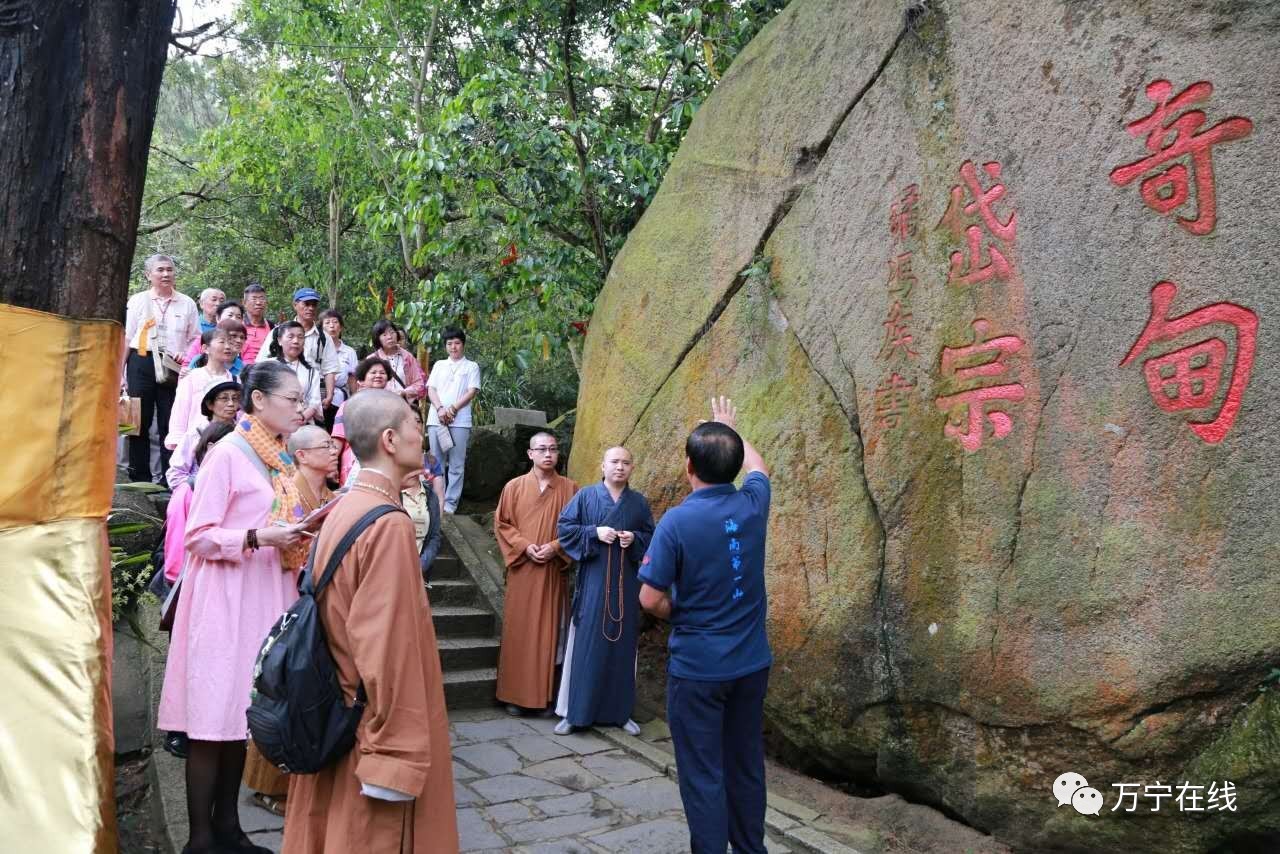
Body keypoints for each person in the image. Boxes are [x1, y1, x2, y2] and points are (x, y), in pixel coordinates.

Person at [282, 390, 459, 854]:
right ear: (390, 440)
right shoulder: (389, 523)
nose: (424, 439)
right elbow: (388, 647)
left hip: (335, 711)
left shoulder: (344, 506)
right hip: (367, 729)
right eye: (417, 430)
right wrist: (395, 757)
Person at [157, 362, 312, 854]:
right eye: (292, 398)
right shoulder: (227, 453)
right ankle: (200, 839)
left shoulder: (280, 459)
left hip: (260, 592)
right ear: (260, 401)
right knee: (210, 719)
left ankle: (229, 828)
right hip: (224, 598)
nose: (300, 406)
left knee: (236, 720)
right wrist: (257, 536)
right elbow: (198, 536)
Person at [638, 397, 773, 854]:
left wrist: (681, 612)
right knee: (746, 764)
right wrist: (728, 428)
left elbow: (649, 598)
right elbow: (760, 467)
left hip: (697, 669)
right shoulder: (754, 504)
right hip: (751, 665)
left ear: (688, 466)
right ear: (734, 466)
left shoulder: (676, 522)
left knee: (702, 773)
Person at [553, 446, 654, 736]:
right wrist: (594, 533)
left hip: (625, 584)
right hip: (594, 583)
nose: (620, 467)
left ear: (632, 468)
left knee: (622, 648)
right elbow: (565, 529)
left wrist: (634, 538)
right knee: (586, 644)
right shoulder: (585, 496)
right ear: (603, 466)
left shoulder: (638, 503)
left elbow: (651, 537)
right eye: (614, 462)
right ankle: (575, 712)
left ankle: (620, 713)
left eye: (626, 462)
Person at [158, 419, 236, 761]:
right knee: (187, 663)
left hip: (218, 588)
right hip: (190, 587)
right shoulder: (188, 491)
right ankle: (180, 732)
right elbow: (177, 553)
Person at [493, 431, 577, 716]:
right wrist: (526, 546)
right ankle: (514, 696)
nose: (548, 454)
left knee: (552, 633)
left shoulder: (571, 488)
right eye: (541, 449)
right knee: (520, 631)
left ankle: (545, 697)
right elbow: (503, 525)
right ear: (530, 454)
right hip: (523, 570)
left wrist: (555, 547)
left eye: (553, 449)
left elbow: (578, 529)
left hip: (553, 572)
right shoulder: (514, 487)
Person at [122, 253, 201, 483]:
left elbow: (195, 339)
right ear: (149, 275)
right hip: (141, 360)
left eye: (169, 270)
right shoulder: (137, 300)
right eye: (160, 270)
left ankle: (170, 478)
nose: (166, 274)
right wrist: (120, 374)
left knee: (171, 421)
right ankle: (140, 478)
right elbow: (127, 338)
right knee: (138, 422)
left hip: (172, 366)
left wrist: (185, 355)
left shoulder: (186, 303)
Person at [256, 287, 339, 416]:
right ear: (295, 305)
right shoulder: (278, 332)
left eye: (314, 305)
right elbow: (261, 364)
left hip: (313, 388)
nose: (310, 308)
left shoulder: (323, 337)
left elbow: (329, 368)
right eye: (306, 304)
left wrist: (329, 395)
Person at [425, 327, 481, 514]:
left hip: (459, 421)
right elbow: (431, 389)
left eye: (457, 343)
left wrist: (453, 409)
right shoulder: (439, 365)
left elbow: (471, 391)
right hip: (436, 419)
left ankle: (450, 504)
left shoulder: (471, 366)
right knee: (435, 462)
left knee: (457, 463)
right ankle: (435, 500)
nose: (453, 347)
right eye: (449, 343)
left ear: (463, 344)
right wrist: (441, 409)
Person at [166, 321, 242, 449]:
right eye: (222, 342)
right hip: (194, 444)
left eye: (230, 342)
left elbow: (240, 416)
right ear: (205, 349)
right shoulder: (191, 378)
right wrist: (179, 444)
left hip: (226, 444)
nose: (228, 346)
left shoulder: (235, 380)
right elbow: (180, 412)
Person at [166, 381, 242, 493]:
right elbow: (175, 475)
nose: (231, 403)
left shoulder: (243, 432)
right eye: (224, 398)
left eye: (235, 398)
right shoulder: (196, 434)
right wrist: (205, 484)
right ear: (210, 405)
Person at [332, 356, 392, 484]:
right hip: (353, 465)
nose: (378, 375)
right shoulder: (348, 406)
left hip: (386, 464)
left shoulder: (393, 406)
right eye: (373, 372)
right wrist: (331, 466)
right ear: (362, 379)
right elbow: (338, 439)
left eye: (382, 373)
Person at [270, 321, 324, 425]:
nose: (296, 341)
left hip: (302, 423)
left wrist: (300, 420)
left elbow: (314, 403)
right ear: (279, 340)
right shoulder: (268, 366)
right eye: (291, 336)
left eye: (300, 337)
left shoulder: (311, 372)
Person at [401, 460, 442, 586]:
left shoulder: (430, 496)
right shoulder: (392, 492)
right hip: (395, 567)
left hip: (420, 569)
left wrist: (421, 564)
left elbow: (435, 536)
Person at [183, 302, 247, 377]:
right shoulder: (199, 359)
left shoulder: (243, 368)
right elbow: (186, 370)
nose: (234, 319)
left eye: (238, 317)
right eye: (230, 315)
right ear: (218, 318)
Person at [370, 318, 426, 404]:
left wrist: (404, 392)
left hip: (404, 406)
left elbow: (420, 383)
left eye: (392, 332)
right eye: (384, 335)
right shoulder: (372, 359)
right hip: (379, 407)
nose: (389, 337)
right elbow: (363, 386)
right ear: (377, 338)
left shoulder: (408, 357)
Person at [320, 309, 359, 430]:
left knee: (337, 430)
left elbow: (352, 378)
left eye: (335, 322)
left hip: (339, 399)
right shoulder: (316, 348)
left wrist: (354, 400)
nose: (332, 326)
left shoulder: (349, 352)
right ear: (321, 328)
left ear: (341, 327)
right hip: (317, 396)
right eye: (327, 322)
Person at [240, 283, 273, 364]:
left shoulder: (272, 327)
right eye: (254, 299)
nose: (258, 302)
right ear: (244, 303)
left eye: (262, 299)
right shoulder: (237, 325)